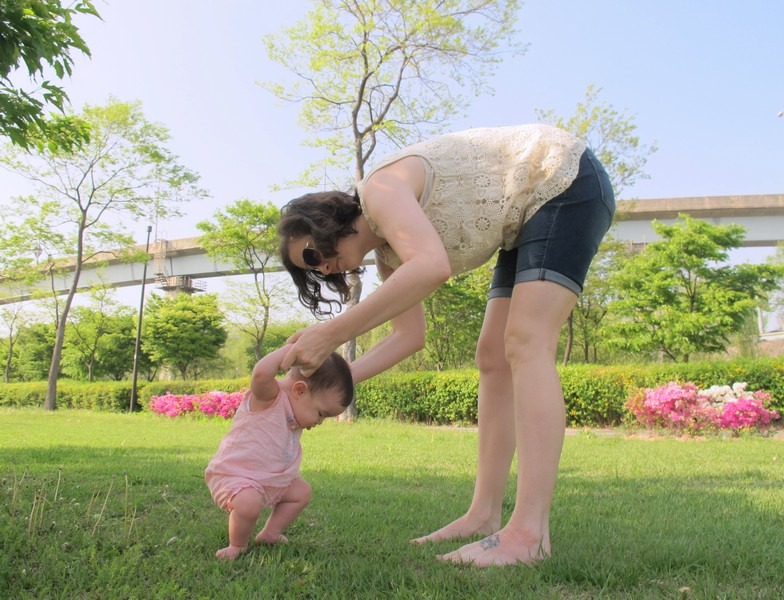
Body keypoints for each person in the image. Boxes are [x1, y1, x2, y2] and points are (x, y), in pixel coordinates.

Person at [277, 123, 615, 567]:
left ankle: (531, 534)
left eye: (311, 256)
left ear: (324, 222)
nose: (321, 270)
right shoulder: (390, 256)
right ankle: (483, 514)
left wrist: (331, 334)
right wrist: (321, 384)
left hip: (561, 180)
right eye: (311, 271)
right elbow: (408, 338)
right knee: (492, 357)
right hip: (525, 216)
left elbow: (433, 266)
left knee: (525, 341)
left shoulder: (379, 189)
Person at [205, 344, 354, 560]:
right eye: (321, 413)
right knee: (248, 504)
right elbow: (262, 373)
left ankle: (270, 533)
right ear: (299, 390)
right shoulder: (269, 398)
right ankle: (237, 545)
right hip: (235, 476)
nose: (320, 421)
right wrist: (295, 348)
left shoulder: (298, 412)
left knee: (302, 492)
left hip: (272, 481)